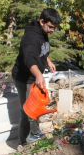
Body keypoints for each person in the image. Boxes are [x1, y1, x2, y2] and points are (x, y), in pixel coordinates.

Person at [12, 8, 61, 144]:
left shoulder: (43, 33)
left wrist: (48, 61)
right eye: (50, 27)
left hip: (34, 76)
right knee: (27, 111)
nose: (52, 30)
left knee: (36, 107)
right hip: (25, 78)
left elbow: (41, 50)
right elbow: (29, 58)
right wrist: (39, 74)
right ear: (41, 21)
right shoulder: (30, 38)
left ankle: (35, 131)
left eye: (54, 28)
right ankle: (24, 143)